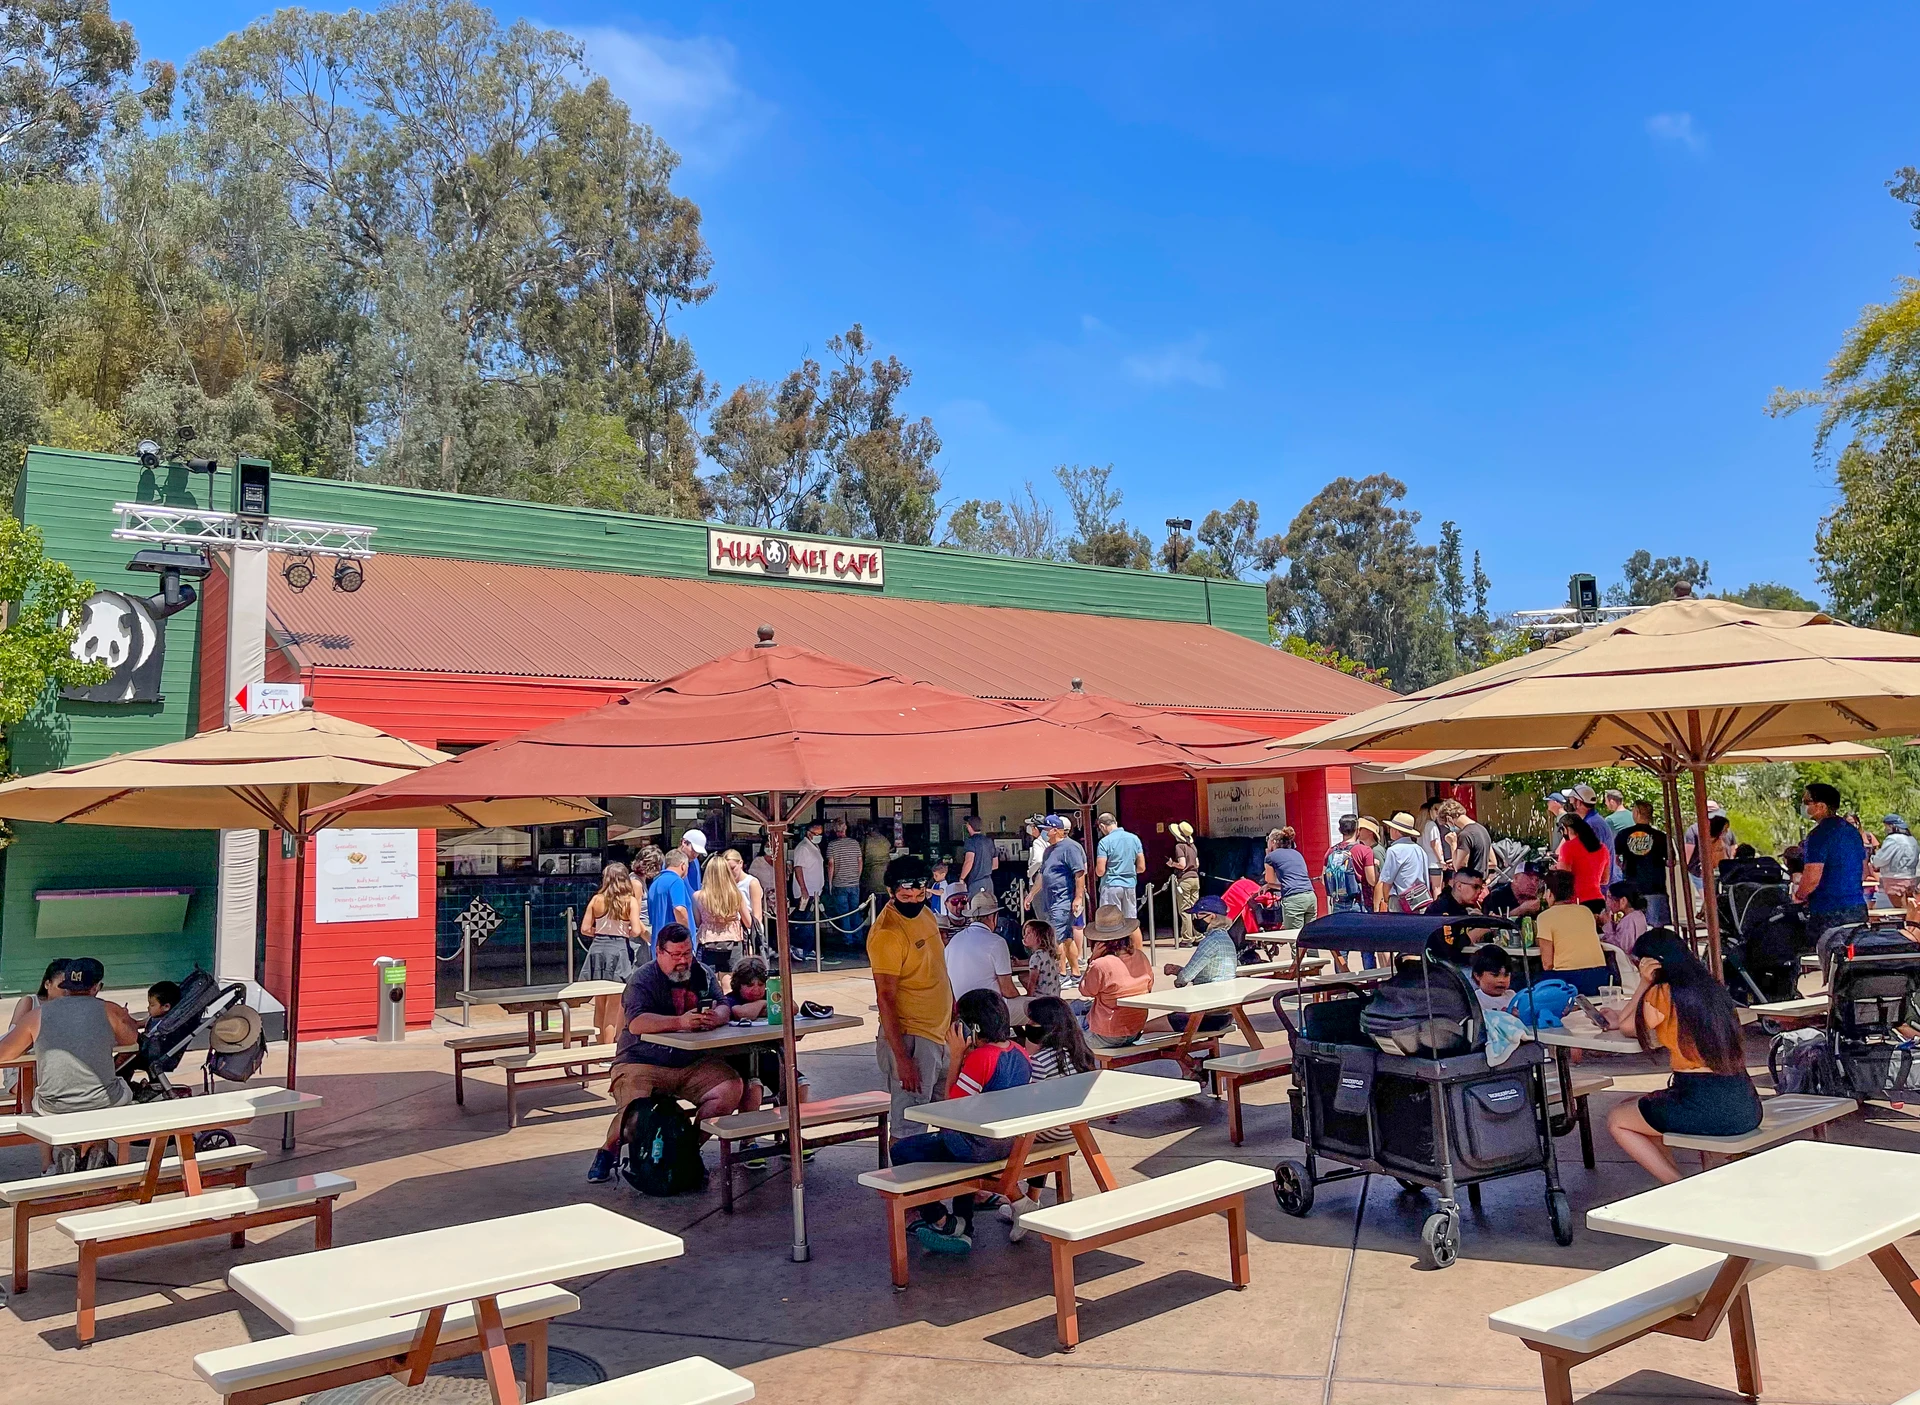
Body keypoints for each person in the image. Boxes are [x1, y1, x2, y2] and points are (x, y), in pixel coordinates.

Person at [1600, 929, 1760, 1184]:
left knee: (1617, 1119)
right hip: (1745, 1102)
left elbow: (1629, 1026)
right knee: (1637, 1105)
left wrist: (1644, 983)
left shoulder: (1663, 992)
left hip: (1703, 1103)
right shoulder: (1711, 989)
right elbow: (1626, 1022)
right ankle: (1674, 1180)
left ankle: (1678, 1185)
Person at [586, 925, 742, 1183]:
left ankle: (686, 1150)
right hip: (640, 1061)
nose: (683, 961)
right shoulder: (643, 979)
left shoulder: (702, 973)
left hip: (691, 1062)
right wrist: (680, 1022)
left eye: (687, 953)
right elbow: (636, 1023)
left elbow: (724, 1002)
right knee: (636, 1114)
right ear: (659, 952)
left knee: (730, 1087)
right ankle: (607, 1151)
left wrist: (718, 1017)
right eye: (676, 955)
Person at [889, 988, 1031, 1255]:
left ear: (972, 1027)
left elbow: (950, 1109)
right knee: (958, 1150)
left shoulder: (981, 1058)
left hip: (976, 1147)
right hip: (1008, 1144)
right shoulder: (1020, 1052)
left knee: (902, 1150)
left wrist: (956, 1058)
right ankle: (964, 1230)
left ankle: (941, 1219)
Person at [0, 958, 140, 1172]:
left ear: (65, 985)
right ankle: (96, 1149)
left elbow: (4, 1054)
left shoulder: (36, 1016)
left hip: (53, 1106)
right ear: (96, 987)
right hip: (101, 1101)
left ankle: (71, 1149)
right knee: (117, 1088)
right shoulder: (110, 1010)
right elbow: (130, 1040)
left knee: (54, 1099)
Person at [868, 854, 954, 1124]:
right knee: (909, 1125)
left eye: (920, 897)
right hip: (913, 1038)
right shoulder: (887, 934)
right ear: (891, 892)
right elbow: (885, 998)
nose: (914, 903)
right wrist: (902, 1059)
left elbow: (938, 967)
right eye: (906, 898)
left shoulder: (926, 913)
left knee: (949, 1120)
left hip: (942, 1032)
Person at [1003, 995, 1095, 1239]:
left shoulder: (1039, 1062)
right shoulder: (1080, 1054)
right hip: (1075, 1129)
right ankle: (1031, 1199)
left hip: (1048, 1130)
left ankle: (1020, 1202)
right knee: (1037, 1127)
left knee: (997, 1143)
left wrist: (1027, 1052)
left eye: (1030, 1024)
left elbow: (1019, 1101)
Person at [1799, 781, 1869, 970]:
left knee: (1831, 965)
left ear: (1820, 806)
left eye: (1807, 801)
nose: (1804, 805)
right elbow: (1864, 871)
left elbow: (1812, 877)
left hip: (1828, 911)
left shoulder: (1818, 835)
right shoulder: (1852, 832)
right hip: (1857, 907)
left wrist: (1799, 896)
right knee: (1855, 963)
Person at [581, 862, 646, 1044]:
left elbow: (585, 928)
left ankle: (599, 1044)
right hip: (619, 950)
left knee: (599, 1004)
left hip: (598, 949)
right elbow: (636, 930)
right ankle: (607, 1051)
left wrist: (600, 932)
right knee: (614, 1005)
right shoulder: (630, 901)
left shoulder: (596, 899)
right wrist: (623, 931)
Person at [1077, 905, 1155, 1048]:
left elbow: (1085, 990)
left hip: (1107, 1035)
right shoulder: (1141, 956)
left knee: (1061, 1022)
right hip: (1135, 1030)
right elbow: (1149, 986)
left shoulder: (1100, 965)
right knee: (1078, 1007)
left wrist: (1091, 961)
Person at [1029, 815, 1088, 980]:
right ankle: (1075, 974)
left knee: (1055, 937)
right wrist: (1032, 894)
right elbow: (1042, 875)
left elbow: (1079, 873)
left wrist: (1078, 898)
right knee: (1067, 937)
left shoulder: (1071, 848)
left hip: (1063, 899)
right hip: (1050, 899)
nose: (1045, 833)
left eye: (1047, 830)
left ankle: (1061, 973)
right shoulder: (1048, 850)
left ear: (1056, 830)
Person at [1537, 870, 1611, 996]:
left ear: (1549, 893)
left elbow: (1547, 963)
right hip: (1600, 976)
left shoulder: (1544, 917)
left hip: (1569, 979)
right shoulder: (1586, 911)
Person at [946, 889, 1018, 999]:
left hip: (961, 1006)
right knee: (1033, 1008)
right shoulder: (996, 942)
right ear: (993, 916)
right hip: (990, 1008)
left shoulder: (954, 941)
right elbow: (1007, 990)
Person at [1615, 800, 1673, 927]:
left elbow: (1616, 858)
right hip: (1656, 887)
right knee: (1656, 931)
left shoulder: (1623, 834)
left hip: (1632, 889)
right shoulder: (1660, 836)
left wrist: (1623, 866)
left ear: (1637, 812)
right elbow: (1671, 861)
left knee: (1635, 928)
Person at [1421, 867, 1490, 964]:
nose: (1479, 892)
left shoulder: (1465, 908)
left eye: (1481, 888)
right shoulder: (1442, 909)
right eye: (1475, 887)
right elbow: (1448, 948)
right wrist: (1478, 932)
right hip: (1440, 967)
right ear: (1459, 886)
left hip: (1462, 964)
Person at [692, 855, 747, 974]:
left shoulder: (698, 896)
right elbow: (748, 922)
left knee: (707, 981)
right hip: (733, 941)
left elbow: (698, 922)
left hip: (708, 942)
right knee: (731, 980)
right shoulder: (736, 895)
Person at [1262, 827, 1319, 932]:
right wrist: (1270, 886)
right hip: (1310, 896)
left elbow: (1270, 879)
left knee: (1295, 939)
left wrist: (1267, 855)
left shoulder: (1270, 857)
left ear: (1273, 842)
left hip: (1294, 900)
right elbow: (1291, 882)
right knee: (1310, 938)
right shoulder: (1297, 853)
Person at [1321, 814, 1376, 915]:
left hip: (1338, 903)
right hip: (1359, 903)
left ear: (1339, 829)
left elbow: (1324, 880)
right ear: (1357, 830)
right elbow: (1372, 881)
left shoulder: (1331, 851)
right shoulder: (1365, 851)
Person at [1094, 812, 1145, 919]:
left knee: (1110, 922)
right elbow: (1141, 867)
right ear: (1115, 823)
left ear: (1102, 826)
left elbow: (1100, 871)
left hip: (1111, 884)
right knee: (1131, 922)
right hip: (1130, 885)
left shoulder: (1104, 842)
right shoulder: (1134, 839)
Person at [1376, 812, 1430, 913]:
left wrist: (1387, 900)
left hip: (1400, 901)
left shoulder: (1394, 850)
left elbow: (1387, 881)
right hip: (1420, 899)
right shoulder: (1420, 849)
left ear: (1396, 830)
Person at [1555, 812, 1611, 910]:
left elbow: (1563, 878)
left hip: (1577, 902)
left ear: (1565, 829)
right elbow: (1605, 880)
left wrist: (1554, 869)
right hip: (1598, 901)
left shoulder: (1568, 847)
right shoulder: (1602, 848)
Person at [1567, 783, 1621, 882]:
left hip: (1602, 887)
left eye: (1571, 799)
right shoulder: (1593, 820)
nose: (1569, 803)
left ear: (1578, 803)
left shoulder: (1591, 825)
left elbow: (1592, 860)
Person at [823, 818, 865, 940]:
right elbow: (860, 861)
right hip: (854, 882)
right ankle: (858, 936)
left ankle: (848, 938)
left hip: (840, 883)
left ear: (835, 831)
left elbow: (831, 865)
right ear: (846, 829)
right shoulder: (855, 843)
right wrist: (858, 876)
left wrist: (830, 883)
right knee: (855, 910)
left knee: (844, 912)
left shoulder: (832, 845)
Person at [1435, 799, 1491, 887]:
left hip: (1469, 886)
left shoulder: (1465, 835)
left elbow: (1459, 867)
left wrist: (1453, 844)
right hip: (1481, 882)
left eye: (1446, 824)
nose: (1448, 827)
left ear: (1449, 819)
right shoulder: (1482, 829)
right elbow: (1489, 860)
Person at [646, 848, 694, 945]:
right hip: (676, 946)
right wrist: (686, 935)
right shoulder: (676, 881)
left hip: (659, 944)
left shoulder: (654, 883)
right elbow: (679, 909)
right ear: (683, 866)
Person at [1873, 814, 1919, 907]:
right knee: (1909, 907)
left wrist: (1873, 859)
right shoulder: (1912, 840)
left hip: (1894, 879)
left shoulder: (1893, 840)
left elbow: (1881, 860)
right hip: (1911, 878)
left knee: (1899, 908)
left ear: (1891, 826)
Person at [1166, 821, 1202, 941]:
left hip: (1185, 879)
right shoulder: (1193, 847)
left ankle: (1187, 937)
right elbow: (1197, 863)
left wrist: (1172, 864)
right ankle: (1198, 934)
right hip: (1195, 878)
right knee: (1195, 908)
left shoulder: (1179, 846)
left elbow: (1182, 864)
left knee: (1185, 909)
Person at [725, 849, 765, 953]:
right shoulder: (725, 883)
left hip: (747, 930)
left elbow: (757, 915)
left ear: (741, 863)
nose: (730, 872)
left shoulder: (752, 883)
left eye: (733, 868)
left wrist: (754, 936)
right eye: (726, 869)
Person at [1603, 881, 1650, 966]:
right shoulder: (1637, 915)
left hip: (1628, 965)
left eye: (1609, 897)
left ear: (1623, 901)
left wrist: (1607, 925)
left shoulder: (1629, 920)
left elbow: (1622, 948)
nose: (1607, 902)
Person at [1019, 919, 1064, 998]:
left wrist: (1029, 996)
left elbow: (1033, 981)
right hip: (1054, 995)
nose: (1024, 936)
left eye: (1028, 933)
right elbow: (1033, 962)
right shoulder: (1046, 953)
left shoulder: (1036, 956)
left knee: (1022, 976)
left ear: (1040, 937)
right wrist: (1019, 962)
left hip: (1041, 998)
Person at [958, 813, 1000, 898]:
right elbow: (995, 865)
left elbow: (969, 861)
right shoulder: (989, 841)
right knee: (989, 908)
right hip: (989, 882)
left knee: (975, 908)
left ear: (969, 826)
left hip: (976, 882)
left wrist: (961, 879)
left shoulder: (970, 841)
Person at [1418, 799, 1449, 897]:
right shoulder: (1431, 825)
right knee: (1437, 888)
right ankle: (1438, 910)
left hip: (1425, 862)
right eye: (1436, 809)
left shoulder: (1421, 826)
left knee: (1428, 888)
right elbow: (1434, 844)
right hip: (1435, 863)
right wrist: (1441, 860)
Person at [1469, 944, 1514, 1012]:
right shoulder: (1474, 1000)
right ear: (1477, 975)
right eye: (1495, 975)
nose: (1502, 980)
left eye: (1506, 975)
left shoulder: (1513, 997)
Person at [861, 821, 894, 899]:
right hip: (885, 874)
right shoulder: (885, 840)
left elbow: (860, 855)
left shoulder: (866, 841)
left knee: (872, 900)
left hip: (871, 874)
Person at [679, 828, 706, 893]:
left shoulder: (695, 861)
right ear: (684, 842)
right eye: (694, 850)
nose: (695, 855)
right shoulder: (671, 862)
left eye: (698, 852)